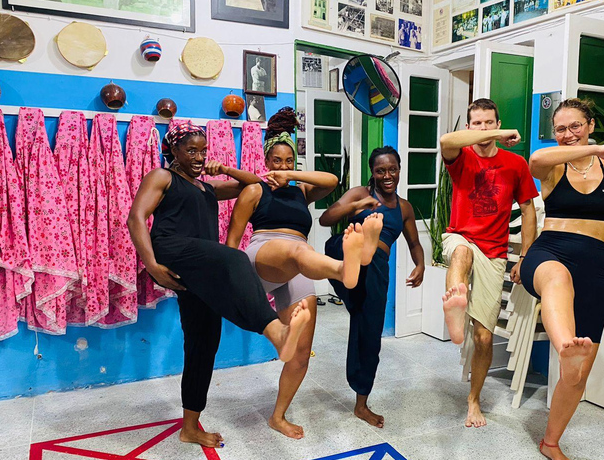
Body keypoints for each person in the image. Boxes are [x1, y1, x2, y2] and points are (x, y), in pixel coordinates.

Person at [127, 122, 311, 450]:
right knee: (236, 258)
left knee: (203, 344)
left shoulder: (207, 187)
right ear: (174, 151)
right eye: (191, 150)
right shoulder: (162, 177)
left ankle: (189, 427)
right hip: (172, 247)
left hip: (198, 267)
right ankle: (276, 332)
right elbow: (136, 217)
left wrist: (224, 167)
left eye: (203, 150)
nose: (199, 157)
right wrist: (152, 264)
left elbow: (255, 183)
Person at [226, 107, 381, 439]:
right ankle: (344, 270)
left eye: (287, 161)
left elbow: (333, 181)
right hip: (263, 254)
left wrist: (294, 176)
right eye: (276, 161)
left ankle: (278, 416)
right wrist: (230, 284)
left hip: (298, 262)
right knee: (300, 252)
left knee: (299, 352)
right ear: (266, 162)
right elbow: (231, 242)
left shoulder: (301, 191)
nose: (281, 166)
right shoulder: (254, 190)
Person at [521, 98, 604, 460]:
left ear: (590, 124)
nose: (567, 134)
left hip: (593, 263)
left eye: (575, 126)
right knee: (557, 280)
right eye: (560, 129)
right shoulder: (552, 165)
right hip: (549, 252)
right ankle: (565, 348)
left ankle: (550, 442)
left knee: (579, 374)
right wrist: (596, 147)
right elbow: (535, 161)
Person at [440, 99, 540, 428]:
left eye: (489, 123)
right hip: (460, 237)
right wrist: (502, 133)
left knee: (484, 337)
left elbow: (527, 210)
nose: (484, 130)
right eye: (477, 124)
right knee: (461, 253)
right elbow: (445, 142)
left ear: (496, 124)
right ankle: (455, 311)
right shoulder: (461, 157)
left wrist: (525, 255)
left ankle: (474, 401)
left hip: (494, 253)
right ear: (468, 127)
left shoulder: (515, 164)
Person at [319, 146, 425, 428]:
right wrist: (355, 208)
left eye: (392, 169)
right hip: (344, 254)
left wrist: (420, 265)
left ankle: (361, 404)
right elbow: (325, 218)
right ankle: (361, 249)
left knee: (368, 333)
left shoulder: (404, 208)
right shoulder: (360, 194)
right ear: (373, 173)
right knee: (346, 246)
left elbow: (414, 243)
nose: (387, 175)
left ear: (399, 170)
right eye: (381, 170)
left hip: (376, 271)